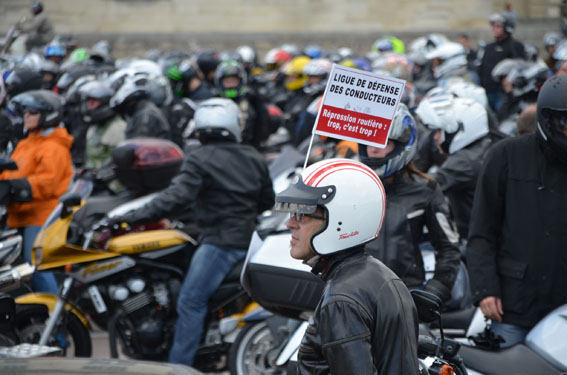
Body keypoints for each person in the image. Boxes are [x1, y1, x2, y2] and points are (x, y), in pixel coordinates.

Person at [109, 98, 275, 366]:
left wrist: (129, 217)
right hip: (249, 239)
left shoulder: (199, 158)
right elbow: (267, 200)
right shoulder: (254, 156)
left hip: (220, 245)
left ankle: (179, 367)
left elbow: (175, 198)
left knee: (190, 302)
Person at [275, 158, 419, 374]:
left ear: (340, 220)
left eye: (302, 214)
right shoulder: (379, 274)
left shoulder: (342, 299)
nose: (290, 223)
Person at [467, 75, 567, 348]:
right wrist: (485, 290)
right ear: (547, 119)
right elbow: (481, 232)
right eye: (564, 122)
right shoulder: (505, 156)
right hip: (513, 306)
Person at [359, 104, 461, 305]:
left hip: (405, 296)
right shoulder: (349, 185)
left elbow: (449, 249)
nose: (372, 148)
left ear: (402, 143)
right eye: (368, 140)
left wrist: (433, 294)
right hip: (356, 297)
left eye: (381, 140)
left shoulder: (426, 189)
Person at [0, 89, 73, 293]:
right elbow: (12, 172)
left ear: (47, 115)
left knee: (37, 266)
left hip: (40, 218)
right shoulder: (26, 143)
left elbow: (47, 182)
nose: (26, 116)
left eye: (32, 112)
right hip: (19, 215)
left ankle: (55, 315)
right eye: (25, 112)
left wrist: (16, 188)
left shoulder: (55, 147)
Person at [415, 95, 494, 241]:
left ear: (459, 129)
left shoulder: (463, 162)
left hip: (477, 240)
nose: (435, 137)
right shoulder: (486, 145)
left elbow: (423, 188)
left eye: (440, 131)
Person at [478, 12, 525, 113]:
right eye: (493, 26)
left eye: (498, 26)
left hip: (502, 94)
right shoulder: (489, 47)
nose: (494, 28)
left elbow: (520, 67)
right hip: (486, 92)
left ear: (507, 28)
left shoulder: (515, 46)